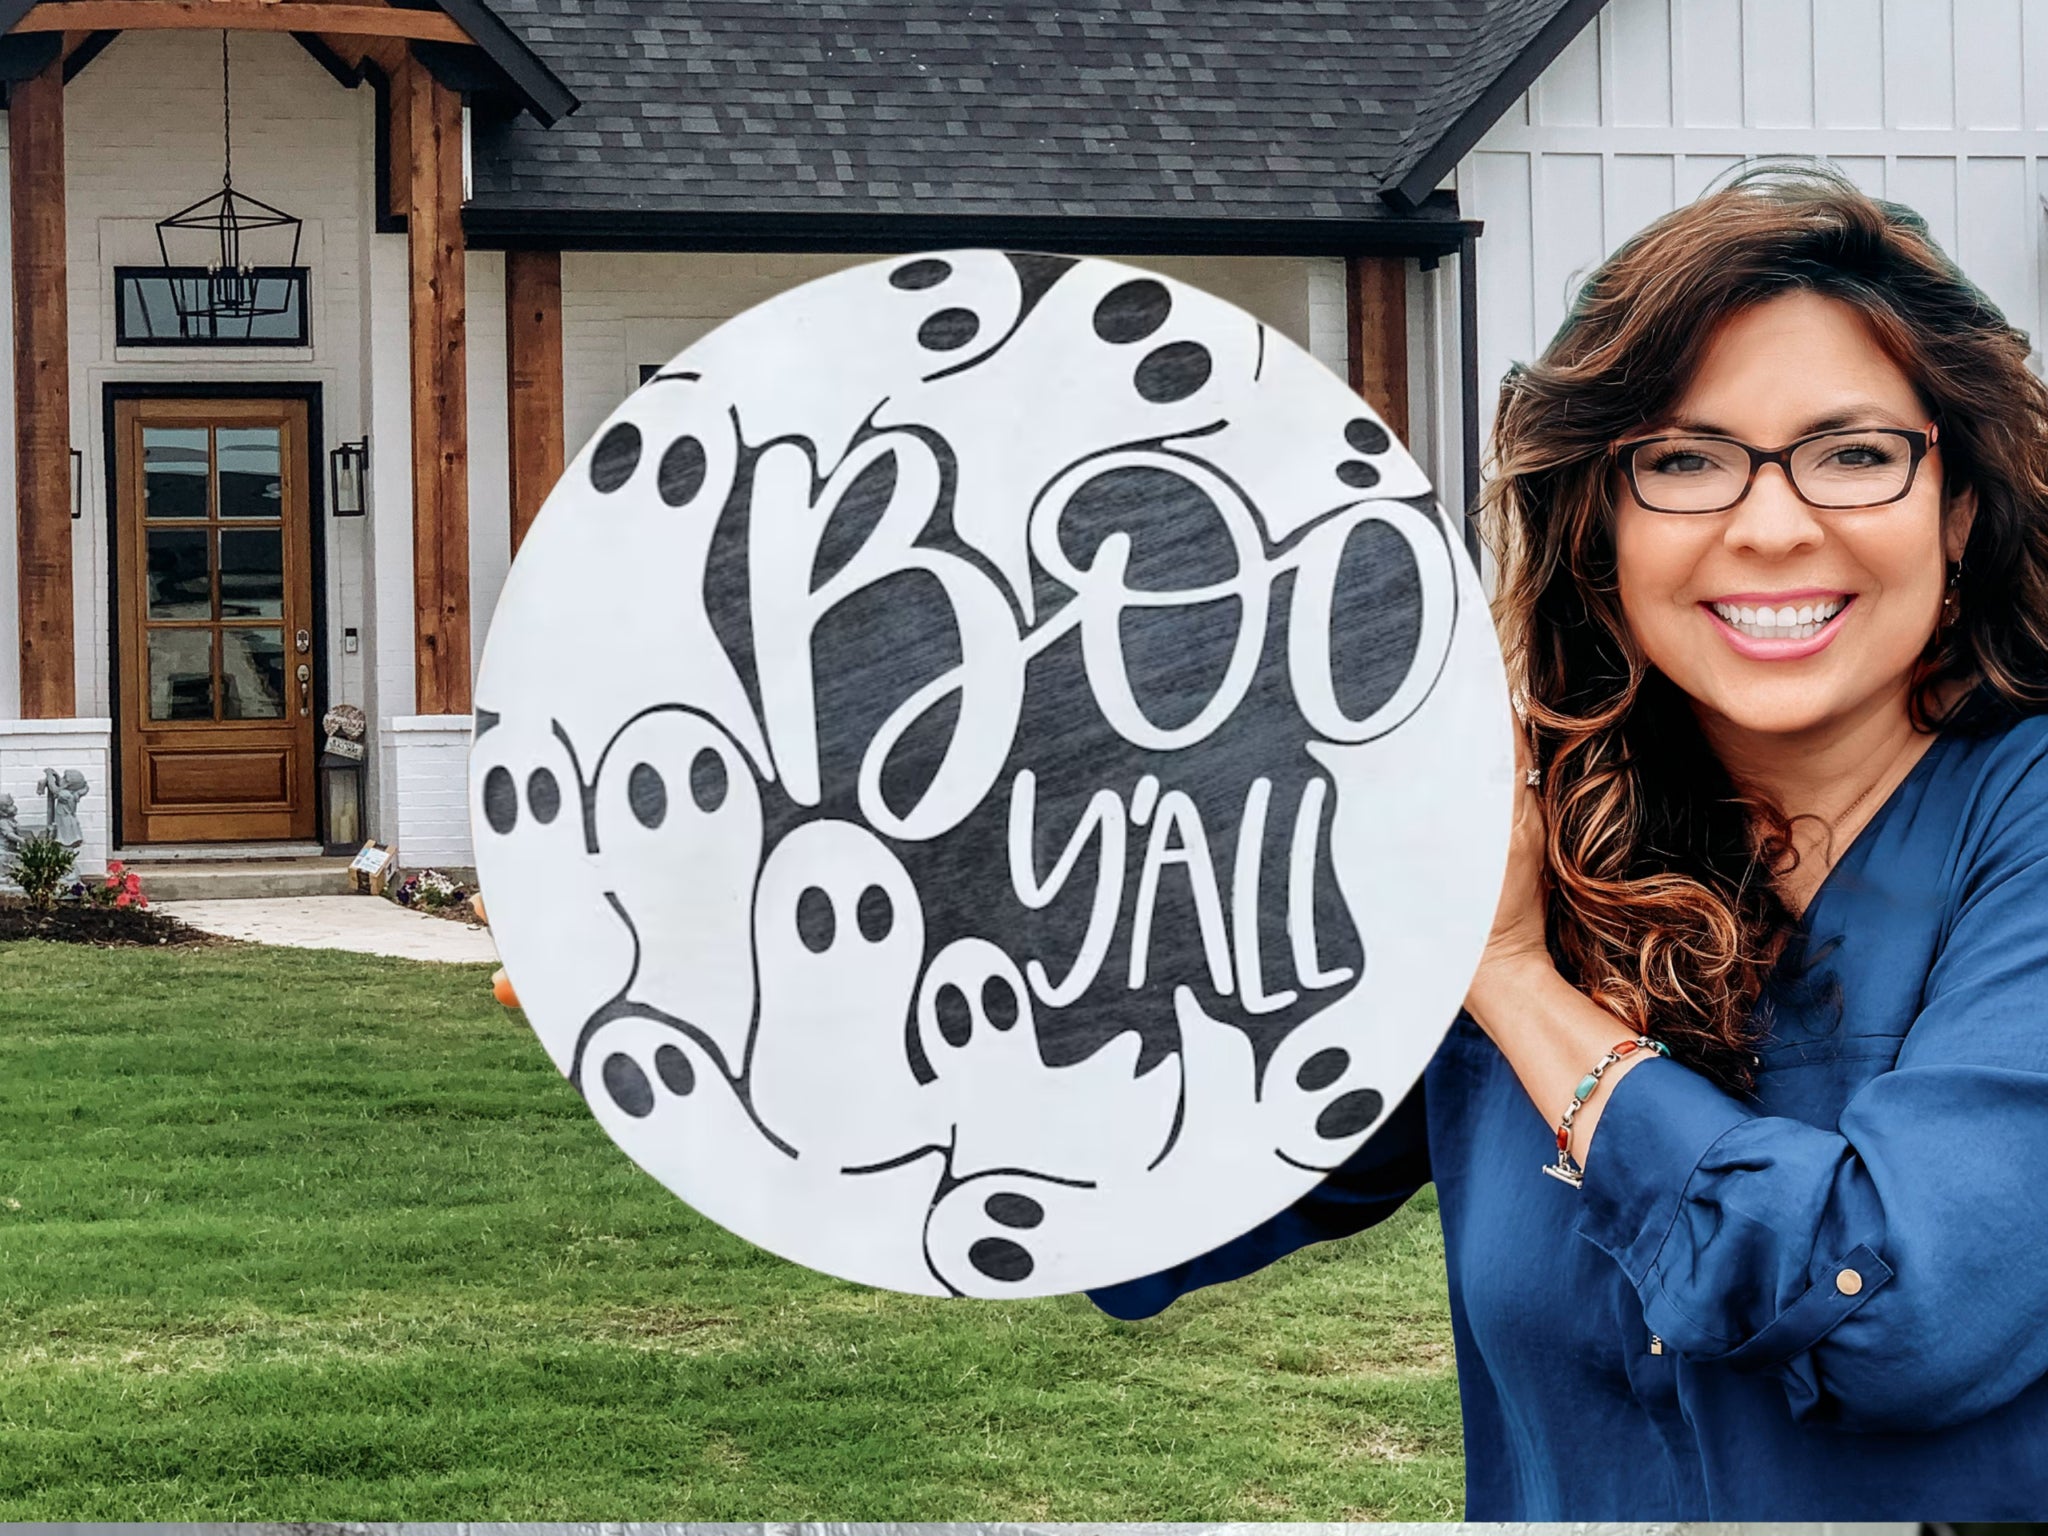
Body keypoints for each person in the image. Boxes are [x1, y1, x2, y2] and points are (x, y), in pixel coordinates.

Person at [1089, 162, 2048, 1519]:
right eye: (1684, 460)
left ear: (1956, 511)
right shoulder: (1540, 827)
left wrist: (1517, 984)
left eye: (1853, 453)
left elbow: (1897, 1313)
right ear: (1601, 522)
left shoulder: (2021, 826)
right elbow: (1150, 1189)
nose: (1771, 526)